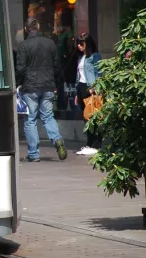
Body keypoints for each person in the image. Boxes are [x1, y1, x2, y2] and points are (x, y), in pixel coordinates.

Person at [16, 17, 67, 162]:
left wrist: (19, 83)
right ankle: (57, 139)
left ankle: (33, 154)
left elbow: (20, 69)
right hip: (47, 85)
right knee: (48, 116)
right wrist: (55, 82)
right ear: (38, 27)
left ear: (26, 29)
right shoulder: (50, 43)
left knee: (30, 119)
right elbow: (57, 65)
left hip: (30, 87)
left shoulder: (23, 46)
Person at [74, 33, 103, 156]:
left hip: (90, 88)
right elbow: (79, 75)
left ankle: (96, 144)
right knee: (86, 117)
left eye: (82, 44)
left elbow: (99, 72)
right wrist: (76, 93)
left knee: (93, 117)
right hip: (81, 87)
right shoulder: (81, 57)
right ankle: (89, 143)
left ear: (88, 44)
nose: (79, 46)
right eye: (78, 44)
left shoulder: (95, 56)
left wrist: (96, 88)